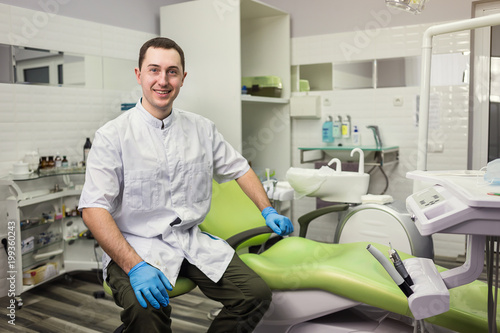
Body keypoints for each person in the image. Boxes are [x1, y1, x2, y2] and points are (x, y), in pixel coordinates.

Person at [78, 37, 293, 333]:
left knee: (253, 296)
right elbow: (93, 209)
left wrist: (267, 210)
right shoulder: (113, 136)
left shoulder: (202, 128)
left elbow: (240, 168)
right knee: (147, 312)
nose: (163, 80)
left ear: (183, 78)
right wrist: (135, 266)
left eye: (172, 71)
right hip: (133, 246)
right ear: (139, 75)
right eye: (154, 70)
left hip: (189, 239)